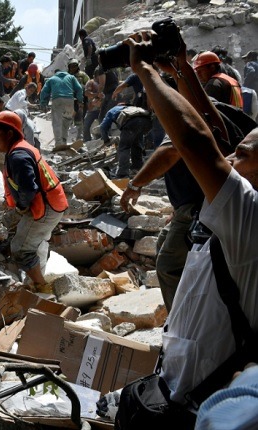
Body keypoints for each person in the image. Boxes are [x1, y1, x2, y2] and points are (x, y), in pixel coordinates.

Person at [122, 29, 258, 417]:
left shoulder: (248, 214)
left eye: (242, 155)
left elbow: (197, 141)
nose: (230, 158)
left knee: (167, 264)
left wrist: (146, 71)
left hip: (193, 398)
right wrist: (180, 67)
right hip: (197, 383)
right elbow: (214, 130)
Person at [0, 111, 68, 290]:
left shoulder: (18, 156)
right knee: (36, 241)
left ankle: (41, 286)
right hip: (53, 202)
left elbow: (28, 189)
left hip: (46, 206)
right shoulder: (19, 148)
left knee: (20, 249)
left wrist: (21, 207)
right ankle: (36, 277)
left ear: (10, 134)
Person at [100, 103, 153, 178]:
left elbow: (103, 127)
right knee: (137, 146)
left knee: (124, 148)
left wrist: (106, 140)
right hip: (147, 122)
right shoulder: (132, 108)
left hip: (131, 123)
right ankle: (137, 169)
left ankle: (123, 173)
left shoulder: (112, 110)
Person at [39, 68, 84, 149]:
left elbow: (44, 92)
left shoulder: (52, 79)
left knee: (57, 123)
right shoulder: (71, 77)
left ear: (55, 73)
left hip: (57, 100)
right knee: (66, 123)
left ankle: (59, 144)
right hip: (70, 101)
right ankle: (64, 141)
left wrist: (43, 103)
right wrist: (80, 100)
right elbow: (79, 88)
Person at [68, 59, 90, 141]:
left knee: (80, 118)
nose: (73, 68)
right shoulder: (67, 76)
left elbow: (88, 84)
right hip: (70, 100)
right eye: (71, 66)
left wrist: (82, 87)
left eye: (74, 66)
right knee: (68, 118)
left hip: (82, 99)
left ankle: (79, 137)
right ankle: (68, 137)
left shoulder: (82, 75)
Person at [83, 76, 103, 141]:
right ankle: (87, 140)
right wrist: (97, 95)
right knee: (86, 125)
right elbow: (87, 93)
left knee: (104, 124)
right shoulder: (91, 82)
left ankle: (105, 139)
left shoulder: (103, 83)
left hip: (102, 108)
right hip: (92, 109)